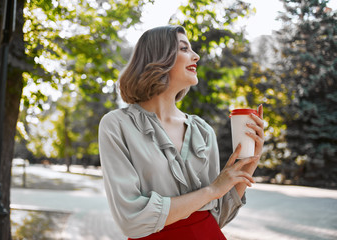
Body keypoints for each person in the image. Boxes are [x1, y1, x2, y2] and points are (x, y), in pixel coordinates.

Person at [98, 25, 264, 240]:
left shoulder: (203, 131)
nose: (196, 56)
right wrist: (212, 190)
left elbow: (216, 216)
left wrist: (248, 164)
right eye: (184, 49)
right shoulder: (117, 125)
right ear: (159, 57)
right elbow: (132, 219)